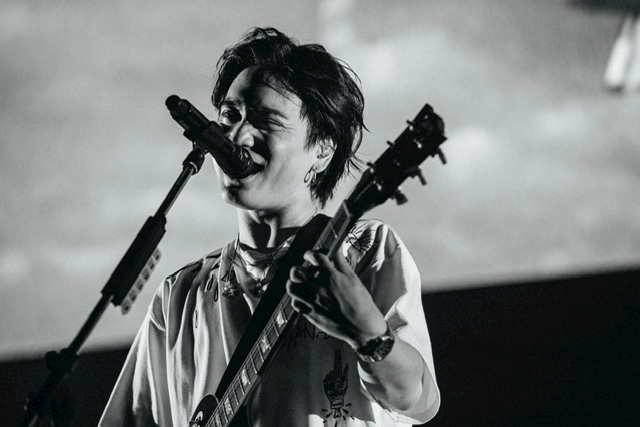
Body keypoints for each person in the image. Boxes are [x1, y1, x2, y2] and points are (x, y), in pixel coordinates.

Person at [99, 27, 440, 426]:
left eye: (265, 121)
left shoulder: (364, 249)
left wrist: (369, 335)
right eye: (230, 116)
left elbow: (418, 398)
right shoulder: (179, 297)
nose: (238, 135)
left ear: (322, 150)